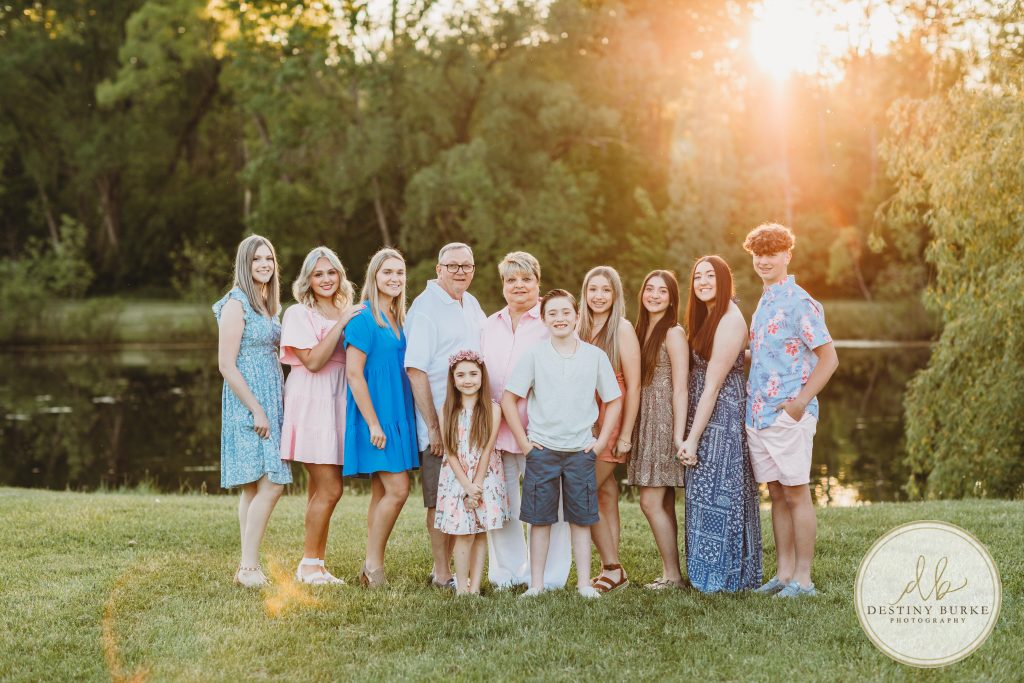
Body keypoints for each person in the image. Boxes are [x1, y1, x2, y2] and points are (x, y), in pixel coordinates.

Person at [502, 289, 622, 599]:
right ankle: (536, 584)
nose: (560, 318)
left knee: (580, 520)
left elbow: (613, 400)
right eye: (552, 313)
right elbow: (508, 399)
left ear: (577, 316)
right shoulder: (535, 355)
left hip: (581, 451)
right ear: (544, 320)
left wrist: (599, 444)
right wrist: (525, 444)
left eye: (566, 312)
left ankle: (583, 584)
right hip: (542, 450)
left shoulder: (594, 356)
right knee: (540, 519)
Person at [743, 223, 838, 599]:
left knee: (797, 494)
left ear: (787, 255)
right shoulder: (765, 300)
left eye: (772, 253)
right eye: (758, 254)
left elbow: (828, 358)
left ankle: (803, 580)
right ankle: (783, 576)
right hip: (759, 415)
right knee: (777, 494)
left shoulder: (800, 302)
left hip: (788, 415)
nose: (764, 260)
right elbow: (767, 354)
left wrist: (799, 404)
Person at [481, 252, 572, 590]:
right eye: (511, 280)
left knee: (550, 503)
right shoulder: (489, 325)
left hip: (541, 431)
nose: (518, 285)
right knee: (502, 503)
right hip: (496, 431)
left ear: (538, 283)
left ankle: (549, 575)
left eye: (526, 279)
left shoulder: (550, 323)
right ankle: (507, 572)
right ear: (503, 285)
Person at [404, 243, 487, 590]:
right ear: (438, 269)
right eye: (452, 265)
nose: (460, 271)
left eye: (466, 265)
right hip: (440, 425)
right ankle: (441, 573)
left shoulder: (470, 303)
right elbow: (415, 371)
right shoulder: (425, 309)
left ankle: (457, 570)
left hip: (471, 423)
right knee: (440, 500)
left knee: (462, 497)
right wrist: (435, 429)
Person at [679, 256, 763, 593]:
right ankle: (705, 572)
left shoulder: (729, 319)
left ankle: (725, 576)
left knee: (720, 493)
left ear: (724, 279)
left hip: (720, 418)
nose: (702, 282)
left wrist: (692, 439)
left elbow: (713, 384)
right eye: (697, 276)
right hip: (705, 410)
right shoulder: (710, 316)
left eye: (710, 276)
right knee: (703, 493)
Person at [279, 246, 363, 585]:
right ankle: (309, 564)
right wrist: (342, 322)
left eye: (331, 272)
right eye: (318, 274)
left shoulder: (348, 309)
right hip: (313, 400)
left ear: (340, 275)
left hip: (339, 399)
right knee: (331, 488)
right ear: (308, 279)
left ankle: (316, 564)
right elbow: (313, 361)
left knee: (319, 489)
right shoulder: (299, 314)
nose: (326, 279)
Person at [213, 234, 292, 588]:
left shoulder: (267, 303)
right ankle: (248, 567)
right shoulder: (236, 303)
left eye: (269, 259)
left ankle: (248, 567)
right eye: (257, 259)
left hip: (271, 397)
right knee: (272, 482)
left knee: (252, 488)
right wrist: (257, 410)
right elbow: (227, 365)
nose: (264, 265)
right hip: (248, 401)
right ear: (244, 265)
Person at [344, 247, 419, 587]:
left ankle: (369, 567)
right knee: (398, 489)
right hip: (375, 417)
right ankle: (374, 567)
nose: (394, 279)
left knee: (381, 492)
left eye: (399, 273)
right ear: (374, 276)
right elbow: (354, 375)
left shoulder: (398, 318)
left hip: (397, 413)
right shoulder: (363, 318)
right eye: (387, 272)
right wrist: (373, 422)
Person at [576, 266, 641, 594]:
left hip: (611, 419)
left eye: (605, 290)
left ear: (615, 295)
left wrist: (627, 433)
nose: (598, 296)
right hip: (583, 418)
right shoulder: (578, 326)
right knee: (605, 493)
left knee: (582, 490)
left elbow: (634, 384)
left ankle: (613, 567)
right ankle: (610, 568)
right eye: (593, 290)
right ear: (585, 293)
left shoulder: (623, 329)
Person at [627, 270, 688, 590]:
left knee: (649, 502)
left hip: (664, 422)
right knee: (661, 502)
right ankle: (670, 572)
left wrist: (679, 435)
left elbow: (681, 388)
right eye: (649, 289)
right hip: (644, 419)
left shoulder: (674, 332)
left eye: (661, 291)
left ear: (672, 298)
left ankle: (673, 576)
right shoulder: (639, 330)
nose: (653, 295)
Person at [433, 350, 509, 596]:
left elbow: (487, 450)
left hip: (486, 476)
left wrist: (477, 486)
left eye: (473, 374)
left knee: (480, 532)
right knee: (463, 532)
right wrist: (466, 485)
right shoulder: (447, 409)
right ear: (453, 379)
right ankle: (462, 587)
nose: (468, 380)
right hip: (457, 478)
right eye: (461, 375)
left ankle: (475, 587)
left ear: (482, 376)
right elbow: (451, 452)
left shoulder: (492, 409)